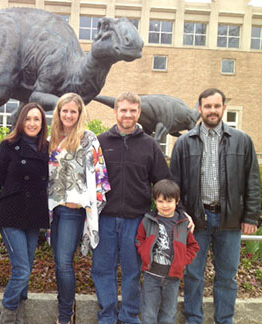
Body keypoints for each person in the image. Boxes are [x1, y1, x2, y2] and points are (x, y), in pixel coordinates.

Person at [170, 88, 261, 324]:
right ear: (199, 109)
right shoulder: (184, 143)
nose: (212, 110)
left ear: (223, 108)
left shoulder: (242, 141)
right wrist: (180, 216)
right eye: (207, 106)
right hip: (195, 221)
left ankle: (225, 320)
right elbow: (174, 186)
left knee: (227, 277)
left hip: (229, 220)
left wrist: (251, 217)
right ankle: (194, 319)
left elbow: (252, 182)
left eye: (216, 106)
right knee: (193, 275)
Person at [92, 92, 172, 324]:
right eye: (123, 110)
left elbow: (162, 181)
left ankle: (128, 317)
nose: (128, 115)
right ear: (115, 111)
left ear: (139, 113)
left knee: (132, 271)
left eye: (132, 111)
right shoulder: (100, 142)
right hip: (104, 218)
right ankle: (107, 316)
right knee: (102, 269)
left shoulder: (150, 145)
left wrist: (176, 211)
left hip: (136, 220)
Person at [0, 102, 50, 324]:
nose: (32, 123)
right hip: (10, 214)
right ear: (21, 122)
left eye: (36, 119)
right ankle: (8, 314)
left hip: (33, 216)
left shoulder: (47, 148)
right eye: (28, 119)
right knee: (22, 269)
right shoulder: (9, 146)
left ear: (42, 123)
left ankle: (19, 315)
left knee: (27, 268)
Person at [48, 92, 110, 324]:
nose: (69, 115)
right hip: (53, 209)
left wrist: (84, 201)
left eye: (73, 111)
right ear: (59, 112)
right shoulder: (52, 137)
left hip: (72, 212)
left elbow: (99, 174)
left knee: (64, 262)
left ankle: (65, 316)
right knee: (59, 261)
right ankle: (65, 305)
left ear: (80, 113)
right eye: (65, 110)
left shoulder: (88, 138)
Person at [135, 179, 199, 324]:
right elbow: (139, 239)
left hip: (173, 276)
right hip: (152, 275)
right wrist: (145, 253)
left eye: (169, 201)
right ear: (155, 201)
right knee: (149, 311)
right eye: (160, 201)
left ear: (177, 201)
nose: (165, 206)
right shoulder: (148, 220)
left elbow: (193, 246)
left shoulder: (183, 224)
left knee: (169, 312)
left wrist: (183, 260)